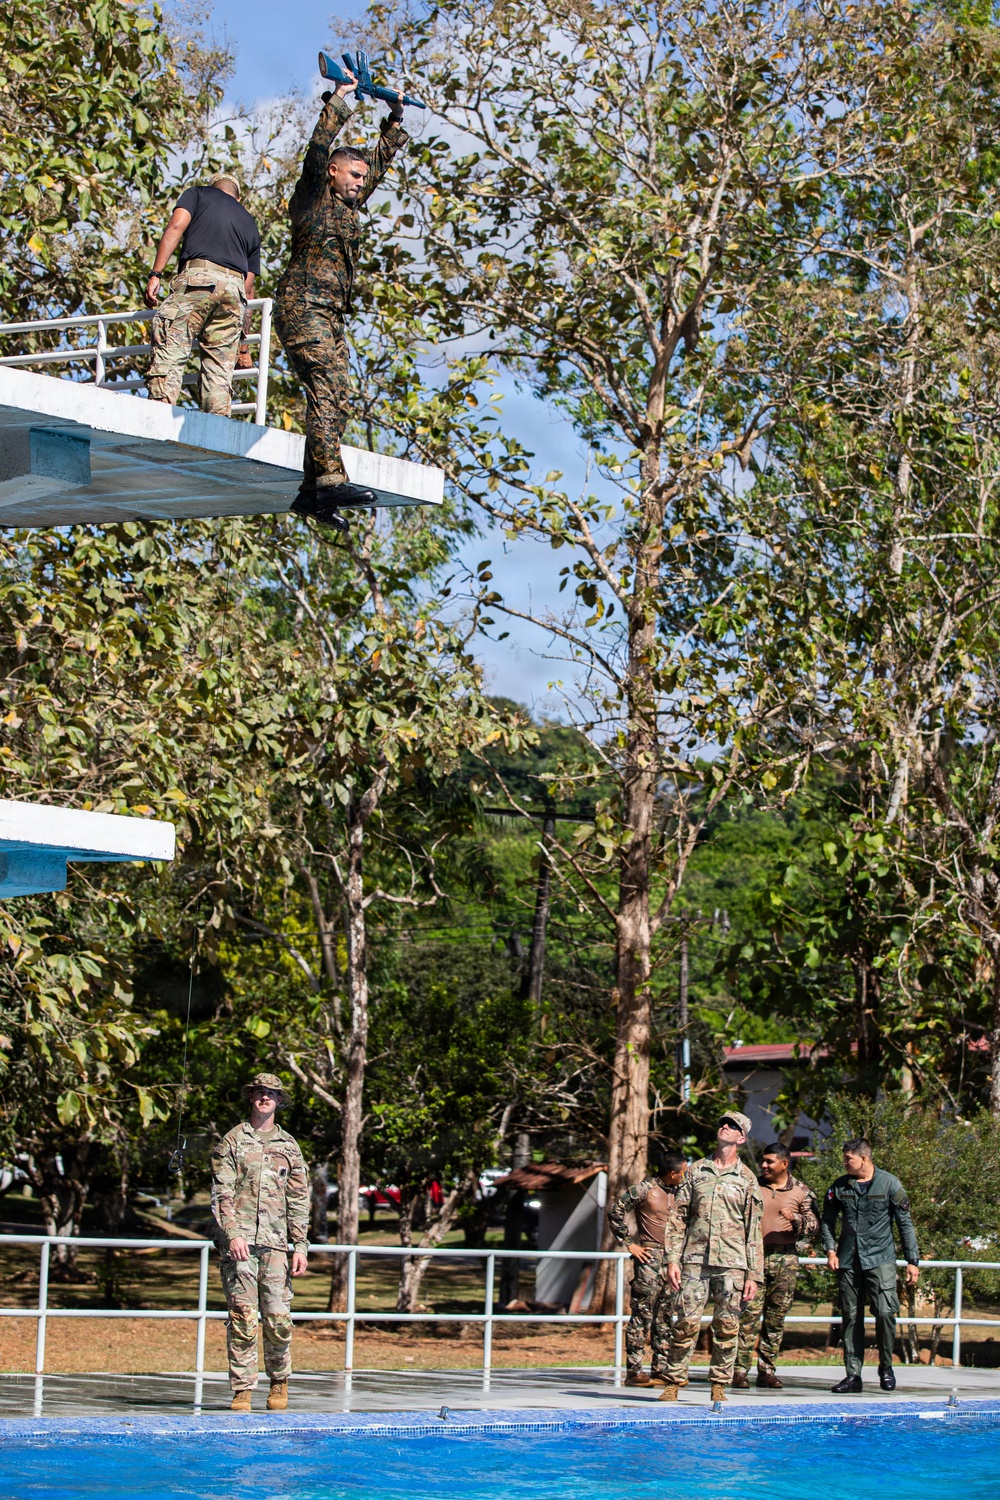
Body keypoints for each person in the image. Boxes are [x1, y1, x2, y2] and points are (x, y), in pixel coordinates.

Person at [274, 68, 412, 532]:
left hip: (331, 316)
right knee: (326, 385)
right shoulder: (314, 196)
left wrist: (393, 120)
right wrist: (341, 98)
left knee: (339, 396)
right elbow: (316, 150)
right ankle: (330, 481)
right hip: (302, 307)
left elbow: (380, 161)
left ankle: (312, 494)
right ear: (333, 172)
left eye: (363, 177)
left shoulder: (349, 204)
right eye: (353, 174)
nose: (360, 182)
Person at [210, 1071, 309, 1412]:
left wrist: (300, 1245)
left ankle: (279, 1384)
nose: (264, 1097)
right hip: (240, 1247)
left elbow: (298, 1199)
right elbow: (221, 1192)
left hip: (277, 1246)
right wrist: (233, 1233)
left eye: (271, 1093)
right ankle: (243, 1389)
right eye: (259, 1092)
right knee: (242, 1317)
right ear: (251, 1098)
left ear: (280, 1101)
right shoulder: (232, 1141)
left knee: (279, 1318)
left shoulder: (289, 1147)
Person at [658, 1112, 763, 1405]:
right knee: (685, 1323)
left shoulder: (747, 1179)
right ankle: (673, 1382)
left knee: (727, 1326)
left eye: (732, 1126)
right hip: (694, 1260)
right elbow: (678, 1217)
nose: (724, 1127)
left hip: (733, 1263)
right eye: (722, 1123)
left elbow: (753, 1230)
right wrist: (672, 1259)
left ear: (741, 1138)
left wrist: (754, 1275)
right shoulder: (695, 1172)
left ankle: (719, 1385)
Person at [145, 172, 261, 416]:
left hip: (199, 279)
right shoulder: (249, 222)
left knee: (172, 341)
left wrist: (156, 273)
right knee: (219, 370)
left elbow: (175, 226)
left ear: (214, 188)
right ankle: (217, 424)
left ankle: (159, 412)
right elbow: (248, 289)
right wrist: (243, 349)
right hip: (234, 293)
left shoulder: (197, 194)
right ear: (238, 198)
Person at [821, 1136, 920, 1394]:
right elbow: (827, 1220)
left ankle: (886, 1368)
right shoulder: (839, 1186)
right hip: (849, 1260)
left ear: (863, 1158)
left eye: (848, 1158)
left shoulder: (889, 1183)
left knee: (886, 1314)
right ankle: (853, 1375)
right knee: (851, 1317)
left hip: (881, 1259)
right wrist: (830, 1250)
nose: (844, 1162)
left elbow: (905, 1224)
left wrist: (912, 1261)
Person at [732, 1141, 819, 1390]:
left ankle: (767, 1371)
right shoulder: (752, 1187)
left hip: (785, 1259)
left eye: (769, 1162)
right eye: (763, 1161)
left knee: (775, 1317)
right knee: (748, 1315)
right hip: (754, 1259)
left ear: (784, 1163)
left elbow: (815, 1225)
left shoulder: (802, 1191)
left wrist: (798, 1220)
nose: (764, 1165)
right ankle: (739, 1371)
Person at [607, 1151, 688, 1386]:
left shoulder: (682, 1192)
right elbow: (616, 1211)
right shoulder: (645, 1189)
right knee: (642, 1315)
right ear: (673, 1173)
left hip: (673, 1261)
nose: (686, 1175)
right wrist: (630, 1244)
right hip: (650, 1259)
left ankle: (660, 1368)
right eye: (683, 1171)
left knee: (664, 1317)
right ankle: (634, 1370)